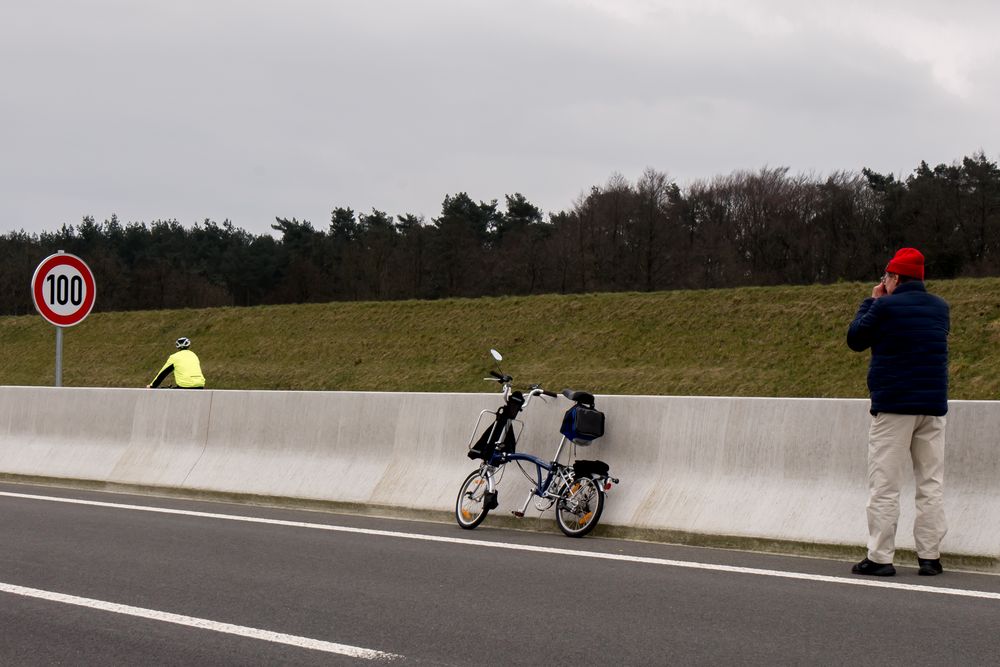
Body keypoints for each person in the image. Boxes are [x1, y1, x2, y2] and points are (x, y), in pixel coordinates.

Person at [846, 247, 949, 577]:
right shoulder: (940, 308)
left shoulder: (885, 307)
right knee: (930, 483)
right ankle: (930, 558)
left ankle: (880, 557)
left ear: (894, 277)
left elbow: (856, 338)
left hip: (894, 406)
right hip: (932, 408)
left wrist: (872, 300)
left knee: (886, 484)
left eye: (886, 276)